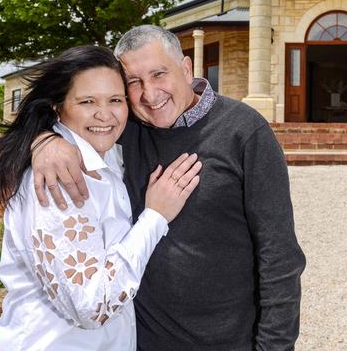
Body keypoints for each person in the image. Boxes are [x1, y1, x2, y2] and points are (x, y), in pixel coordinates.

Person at [31, 26, 306, 350]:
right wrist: (45, 141)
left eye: (159, 74)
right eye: (134, 82)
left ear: (187, 69)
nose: (149, 93)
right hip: (145, 341)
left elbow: (280, 258)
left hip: (229, 341)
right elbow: (73, 116)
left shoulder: (244, 131)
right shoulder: (124, 130)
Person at [0, 46, 202, 350]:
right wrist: (155, 217)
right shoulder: (57, 179)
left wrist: (42, 138)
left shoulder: (108, 151)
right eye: (87, 101)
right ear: (59, 107)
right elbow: (91, 305)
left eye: (115, 100)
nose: (104, 114)